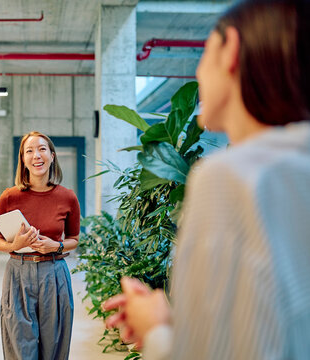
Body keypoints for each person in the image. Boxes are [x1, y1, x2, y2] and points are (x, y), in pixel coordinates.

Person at [103, 0, 310, 359]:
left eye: (204, 53)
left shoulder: (229, 178)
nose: (197, 74)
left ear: (229, 49)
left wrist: (156, 328)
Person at [0, 131, 81, 360]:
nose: (36, 155)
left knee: (54, 346)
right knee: (20, 346)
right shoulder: (9, 197)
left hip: (54, 273)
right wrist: (15, 243)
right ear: (23, 159)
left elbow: (75, 239)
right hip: (18, 274)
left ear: (52, 155)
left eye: (42, 149)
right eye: (29, 151)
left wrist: (56, 246)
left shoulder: (67, 197)